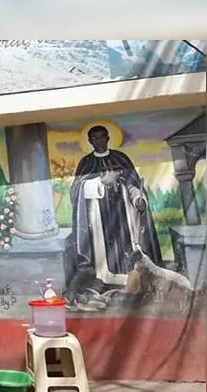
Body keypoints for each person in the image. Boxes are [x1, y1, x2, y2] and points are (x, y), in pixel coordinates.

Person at [68, 125, 162, 296]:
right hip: (99, 217)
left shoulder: (121, 158)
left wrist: (139, 200)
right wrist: (101, 182)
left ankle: (132, 280)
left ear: (108, 138)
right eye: (95, 138)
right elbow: (76, 190)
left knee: (127, 245)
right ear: (90, 141)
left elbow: (133, 184)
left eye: (102, 137)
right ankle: (106, 280)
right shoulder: (86, 163)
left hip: (123, 214)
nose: (99, 141)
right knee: (104, 250)